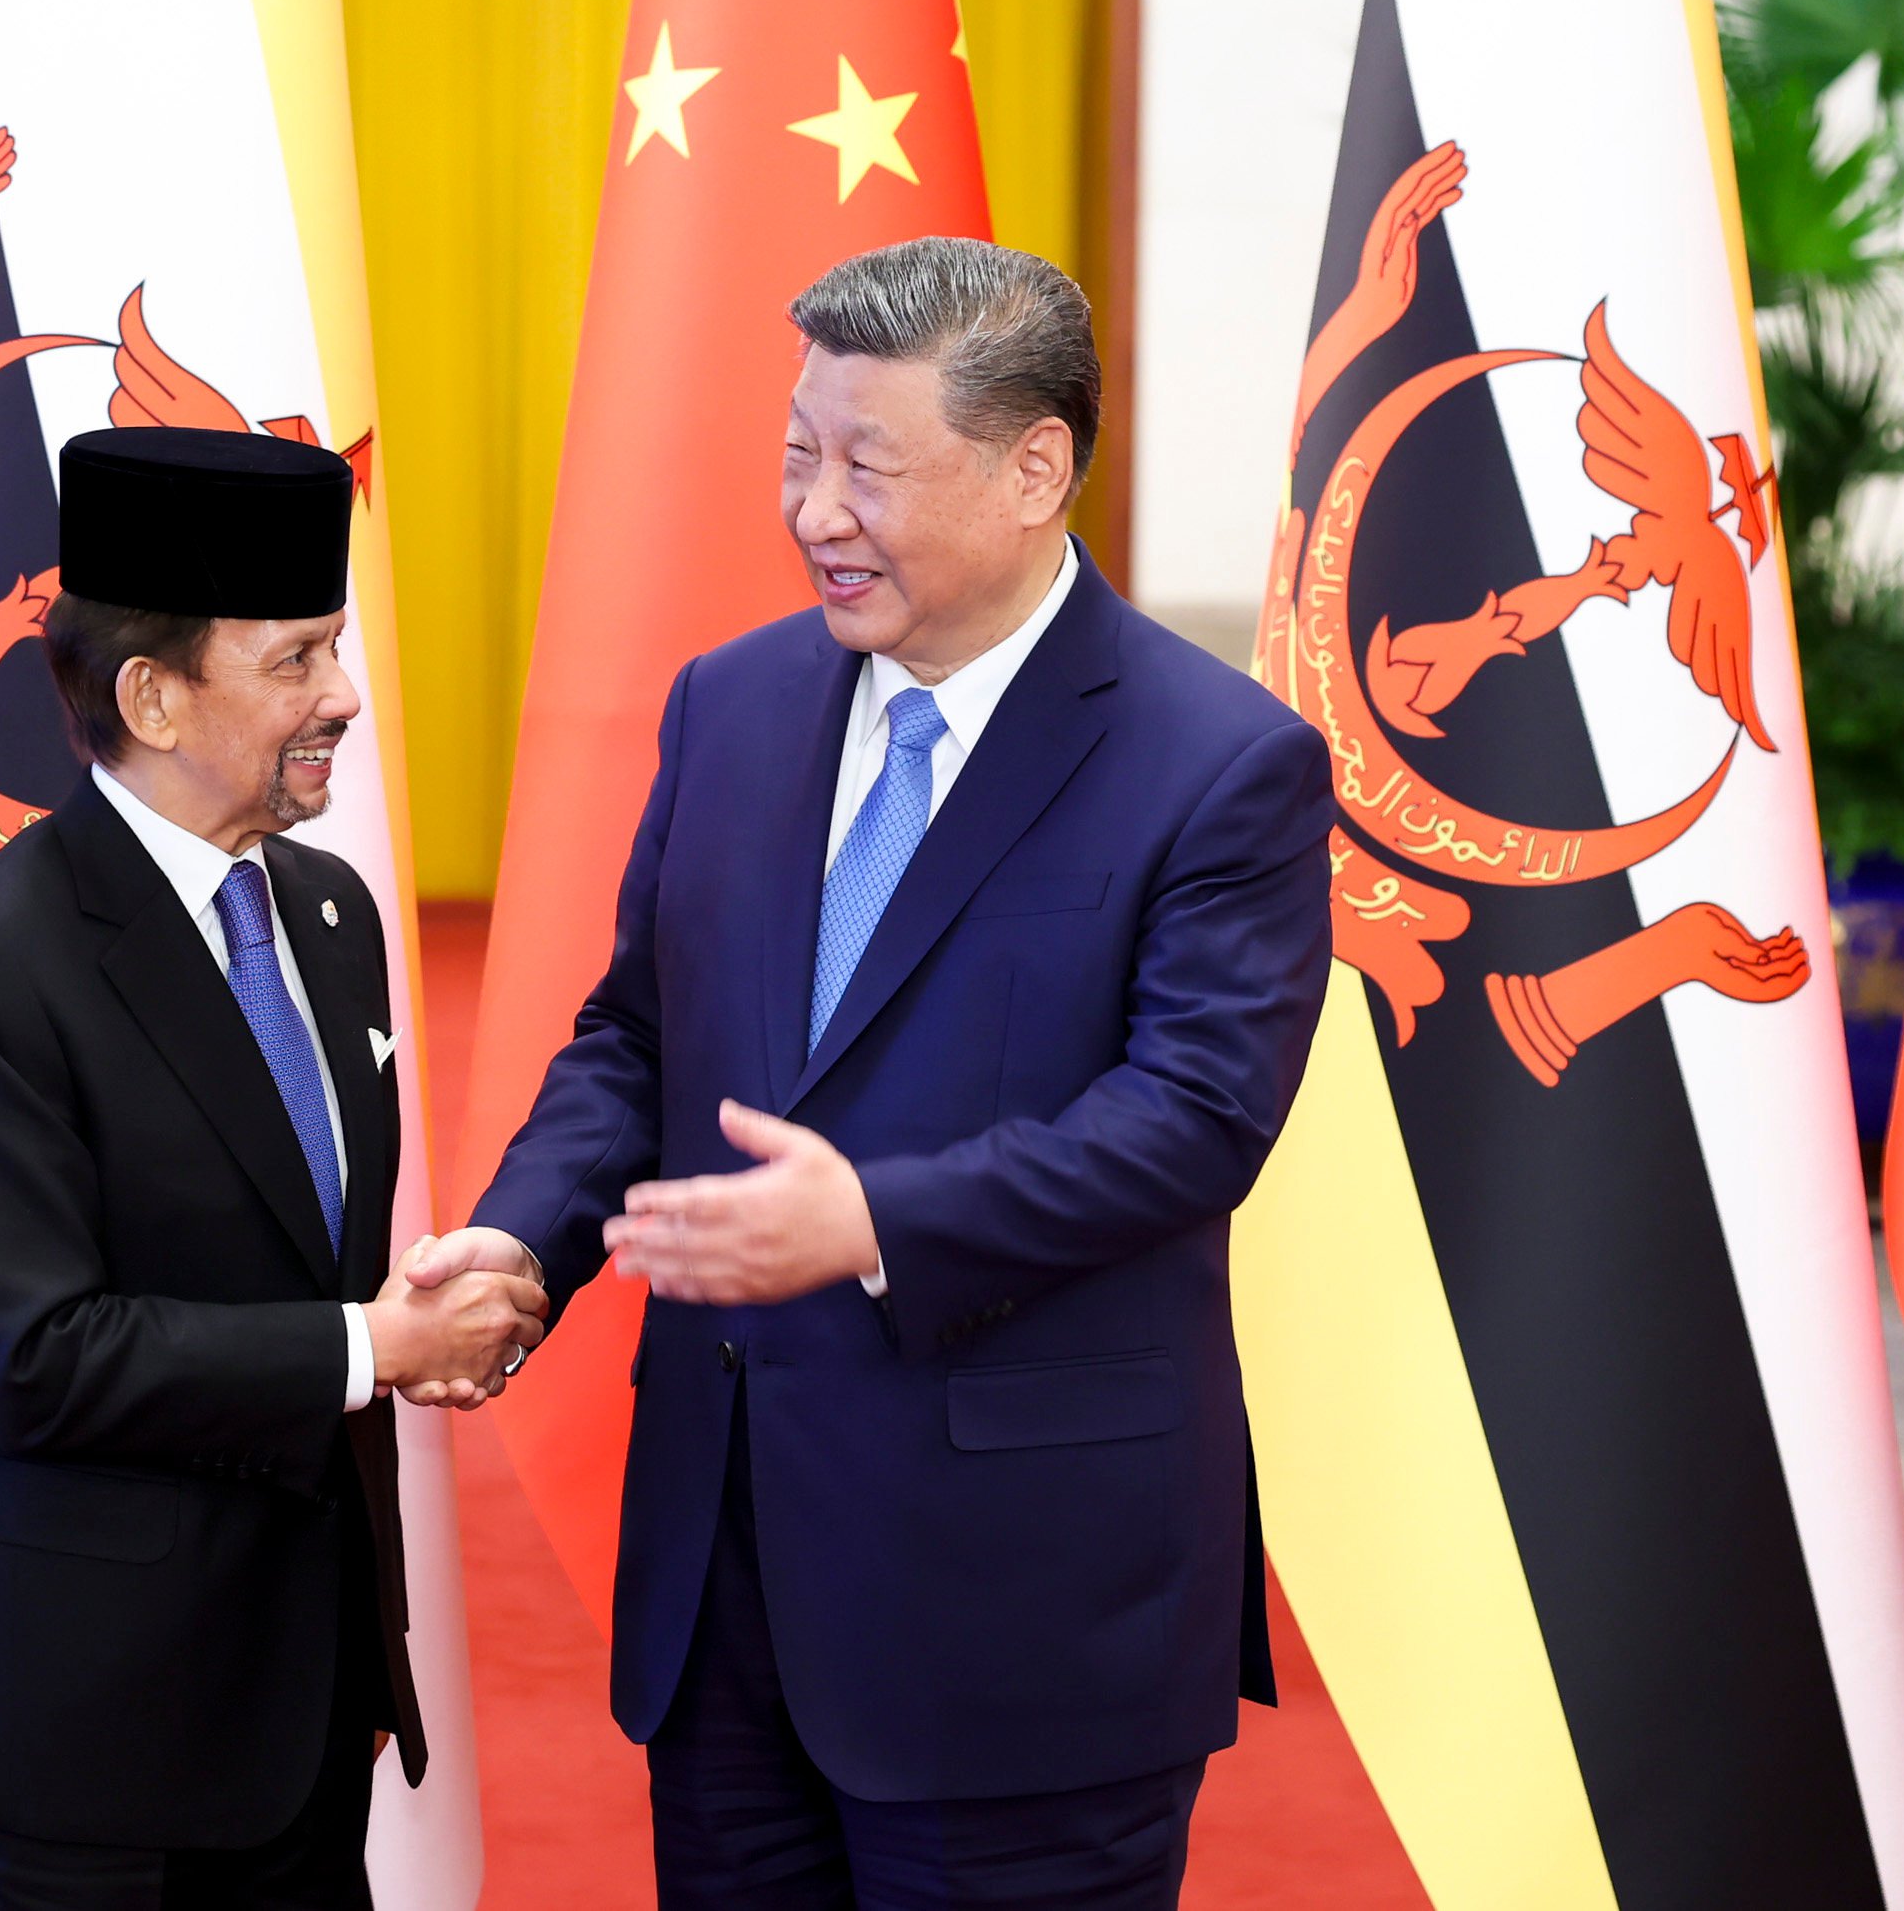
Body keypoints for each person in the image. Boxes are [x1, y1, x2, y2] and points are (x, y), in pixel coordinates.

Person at [409, 239, 1334, 1908]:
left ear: (1034, 466)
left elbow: (1195, 1119)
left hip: (1025, 1627)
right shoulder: (736, 706)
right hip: (727, 1594)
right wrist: (526, 1238)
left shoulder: (1221, 766)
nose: (814, 509)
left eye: (866, 466)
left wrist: (874, 1222)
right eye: (795, 453)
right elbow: (640, 1031)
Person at [0, 426, 547, 1911]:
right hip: (88, 1718)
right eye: (296, 661)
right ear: (154, 695)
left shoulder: (333, 915)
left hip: (299, 1697)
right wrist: (377, 1345)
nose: (343, 698)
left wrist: (422, 1310)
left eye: (337, 651)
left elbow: (297, 1247)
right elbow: (38, 1355)